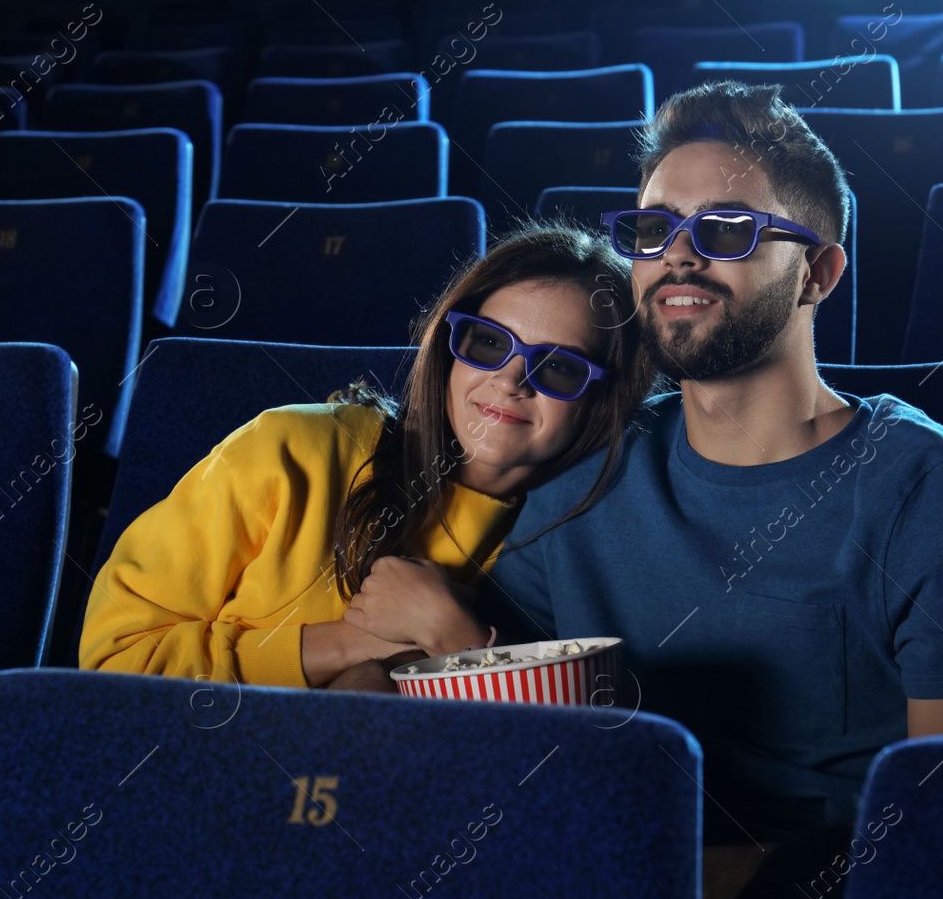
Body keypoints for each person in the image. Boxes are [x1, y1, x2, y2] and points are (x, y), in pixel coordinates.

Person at [451, 82, 943, 899]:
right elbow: (502, 728)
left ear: (818, 274)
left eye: (725, 229)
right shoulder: (586, 470)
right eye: (652, 230)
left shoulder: (920, 487)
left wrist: (714, 880)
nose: (675, 254)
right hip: (598, 897)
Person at [80, 224, 658, 688]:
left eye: (558, 367)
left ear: (603, 397)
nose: (510, 381)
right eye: (488, 342)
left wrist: (457, 639)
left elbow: (559, 759)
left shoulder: (579, 541)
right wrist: (355, 643)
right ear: (451, 349)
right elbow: (112, 660)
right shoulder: (294, 450)